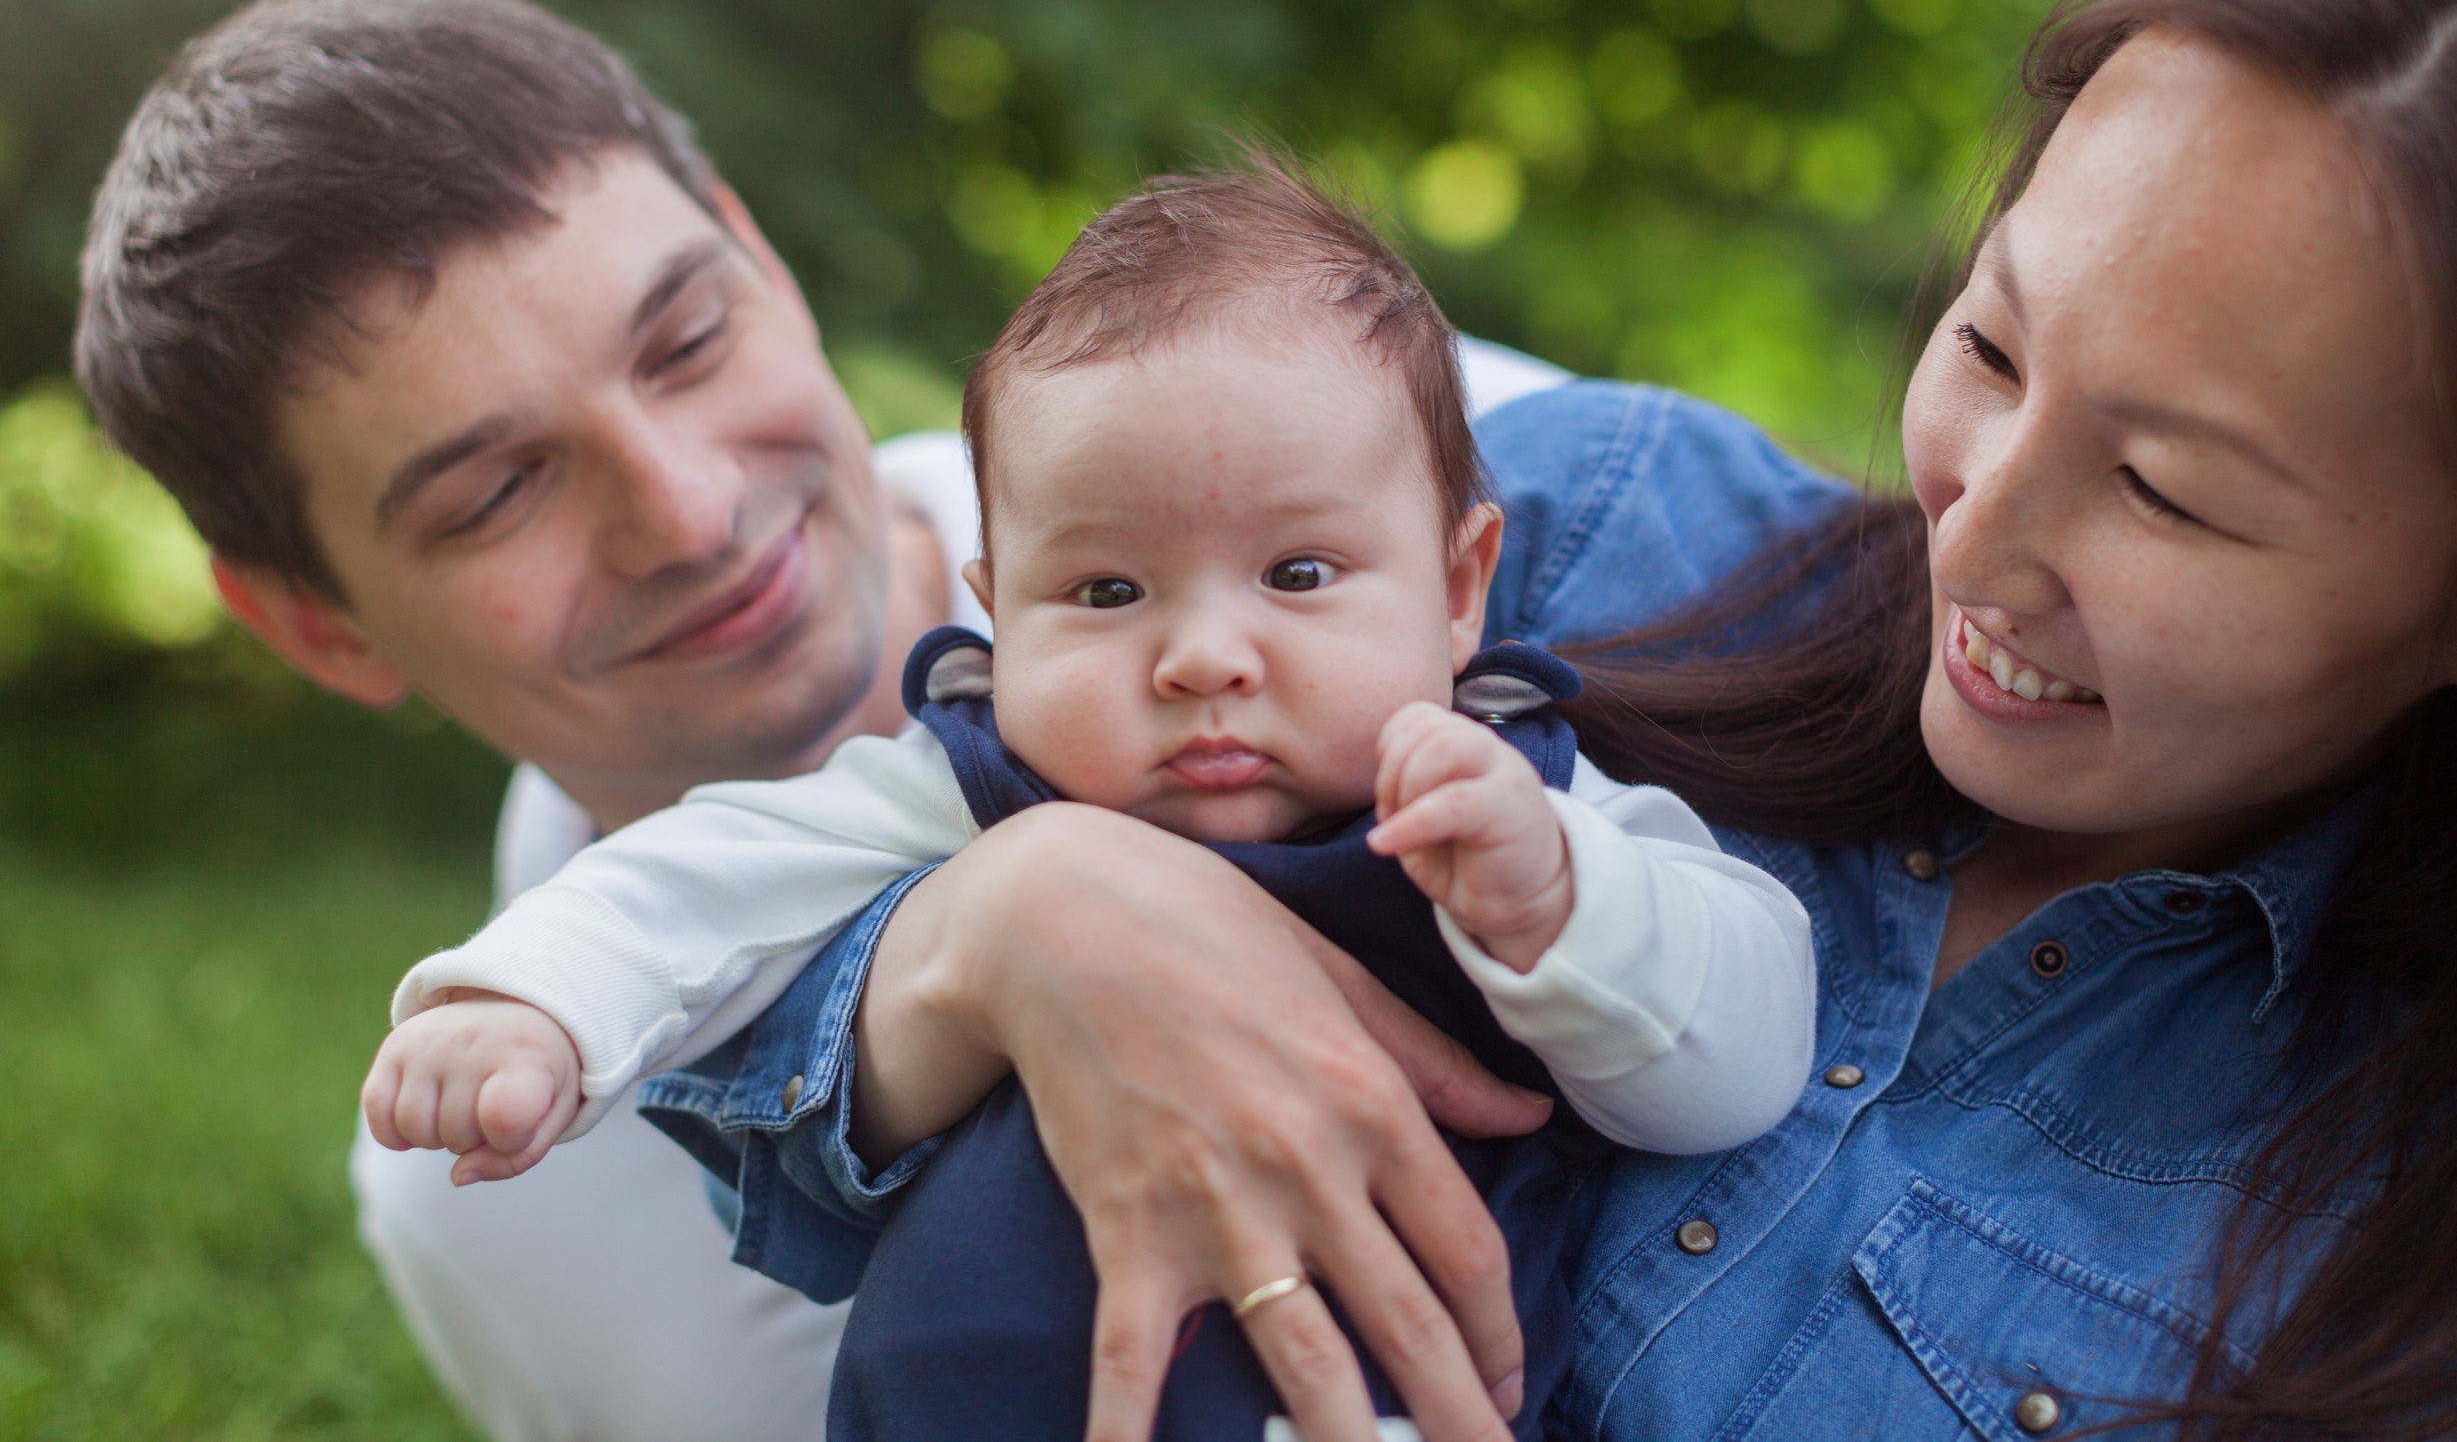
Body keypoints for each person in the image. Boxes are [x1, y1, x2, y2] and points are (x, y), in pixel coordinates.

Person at [661, 0, 2457, 1442]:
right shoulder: (1587, 527)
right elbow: (741, 1058)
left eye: (2166, 491)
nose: (1974, 523)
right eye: (1989, 346)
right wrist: (1018, 923)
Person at [70, 0, 1576, 1442]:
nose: (692, 508)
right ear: (315, 624)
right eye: (497, 491)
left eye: (686, 342)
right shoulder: (499, 1214)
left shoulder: (1401, 441)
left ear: (760, 259)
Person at [360, 160, 1817, 1439]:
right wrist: (524, 1001)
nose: (1200, 658)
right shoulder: (966, 789)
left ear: (1454, 587)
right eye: (1106, 592)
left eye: (1298, 576)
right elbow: (701, 871)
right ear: (1004, 616)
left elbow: (1745, 1060)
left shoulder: (1517, 807)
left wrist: (1564, 906)